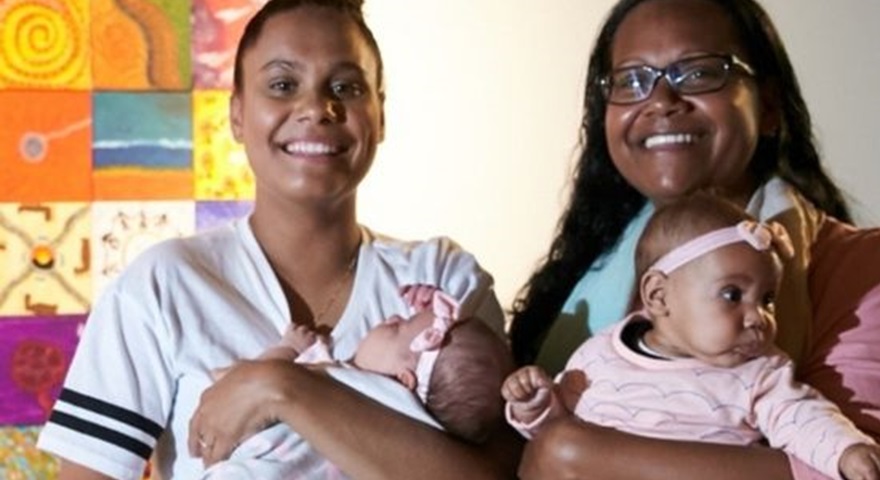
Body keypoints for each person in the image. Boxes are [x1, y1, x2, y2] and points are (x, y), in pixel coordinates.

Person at [37, 0, 520, 478]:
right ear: (237, 116)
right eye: (283, 85)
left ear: (380, 114)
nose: (316, 108)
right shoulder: (163, 286)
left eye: (346, 87)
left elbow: (496, 475)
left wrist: (282, 386)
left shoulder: (439, 282)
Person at [508, 0, 880, 479]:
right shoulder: (584, 274)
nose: (660, 101)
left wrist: (572, 455)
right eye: (632, 80)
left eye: (697, 73)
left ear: (770, 108)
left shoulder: (862, 266)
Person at [504, 193, 880, 480]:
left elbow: (802, 419)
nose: (758, 317)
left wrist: (847, 453)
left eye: (767, 299)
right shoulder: (598, 357)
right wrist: (536, 405)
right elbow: (554, 434)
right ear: (658, 295)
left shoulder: (760, 373)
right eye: (732, 294)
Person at [203, 285, 512, 478]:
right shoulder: (416, 438)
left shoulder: (332, 380)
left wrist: (289, 349)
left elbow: (235, 383)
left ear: (403, 380)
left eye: (398, 327)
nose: (391, 317)